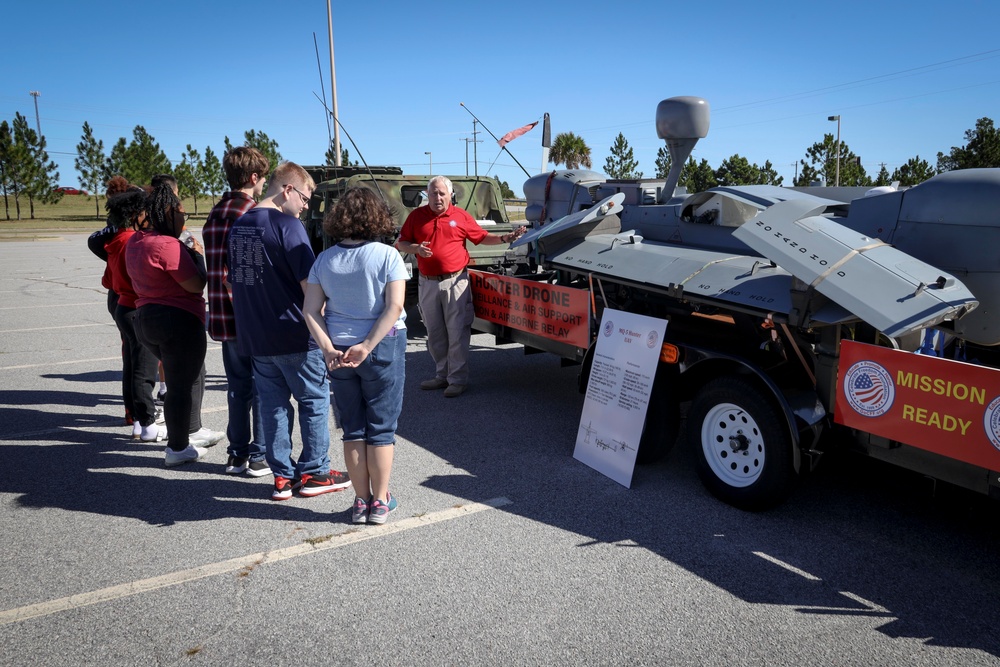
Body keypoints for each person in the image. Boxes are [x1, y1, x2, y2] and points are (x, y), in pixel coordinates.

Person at [228, 161, 350, 500]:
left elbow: (231, 280)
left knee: (273, 405)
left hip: (256, 335)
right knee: (312, 401)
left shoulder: (239, 226)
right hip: (294, 332)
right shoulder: (288, 225)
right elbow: (310, 286)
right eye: (306, 197)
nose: (306, 206)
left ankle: (281, 475)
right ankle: (314, 472)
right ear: (288, 190)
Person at [304, 187, 407, 524]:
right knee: (381, 428)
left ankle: (360, 501)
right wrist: (367, 345)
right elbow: (394, 307)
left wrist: (327, 348)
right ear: (376, 216)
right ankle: (380, 501)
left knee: (353, 428)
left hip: (338, 350)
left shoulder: (324, 259)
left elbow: (311, 311)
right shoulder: (388, 255)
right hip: (379, 348)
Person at [396, 175, 525, 397]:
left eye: (441, 193)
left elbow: (482, 237)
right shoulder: (417, 217)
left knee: (456, 332)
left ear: (450, 195)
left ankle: (457, 379)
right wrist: (416, 249)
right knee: (434, 333)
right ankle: (441, 375)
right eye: (433, 193)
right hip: (428, 284)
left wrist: (505, 238)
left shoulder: (461, 216)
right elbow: (401, 243)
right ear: (428, 195)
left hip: (455, 282)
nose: (437, 197)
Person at [125, 182, 220, 466]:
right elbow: (195, 284)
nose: (183, 219)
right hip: (175, 320)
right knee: (180, 387)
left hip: (145, 318)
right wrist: (198, 255)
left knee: (178, 383)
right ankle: (178, 448)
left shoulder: (136, 241)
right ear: (167, 213)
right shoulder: (166, 245)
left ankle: (185, 437)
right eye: (181, 213)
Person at [203, 147, 271, 477]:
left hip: (222, 317)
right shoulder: (250, 213)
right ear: (254, 178)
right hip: (249, 317)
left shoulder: (215, 212)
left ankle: (237, 454)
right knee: (261, 387)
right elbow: (245, 273)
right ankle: (258, 456)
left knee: (237, 388)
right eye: (263, 178)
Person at [103, 187, 162, 442]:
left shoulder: (119, 238)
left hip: (123, 305)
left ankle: (137, 419)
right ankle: (147, 423)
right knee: (143, 370)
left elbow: (109, 278)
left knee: (132, 365)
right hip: (136, 307)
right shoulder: (131, 240)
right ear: (136, 213)